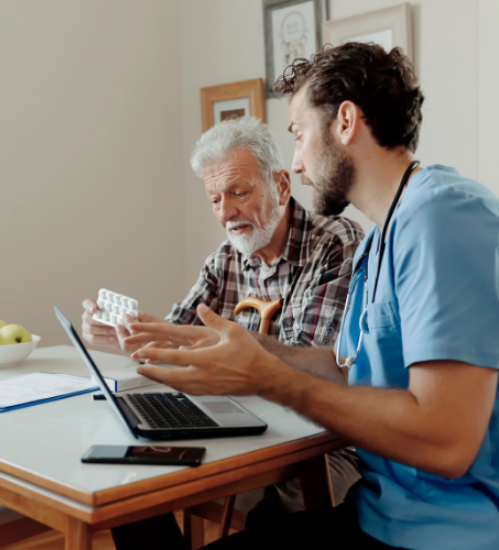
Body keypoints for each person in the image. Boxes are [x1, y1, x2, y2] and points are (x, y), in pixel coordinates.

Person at [126, 43, 499, 550]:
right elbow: (352, 370)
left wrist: (266, 377)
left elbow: (447, 440)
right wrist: (252, 347)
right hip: (392, 515)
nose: (296, 165)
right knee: (130, 504)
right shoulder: (382, 237)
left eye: (298, 136)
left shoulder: (445, 220)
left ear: (345, 122)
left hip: (474, 531)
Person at [81, 116, 364, 549]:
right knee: (128, 489)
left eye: (239, 192)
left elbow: (312, 366)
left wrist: (198, 349)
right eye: (215, 199)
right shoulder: (225, 260)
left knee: (275, 519)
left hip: (322, 442)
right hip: (241, 428)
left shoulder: (335, 243)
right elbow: (177, 336)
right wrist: (127, 332)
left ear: (282, 185)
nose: (226, 212)